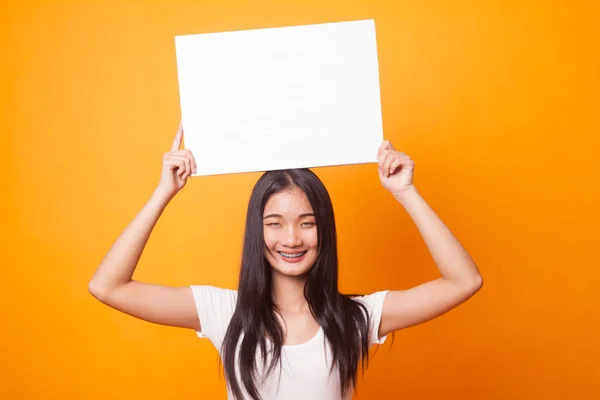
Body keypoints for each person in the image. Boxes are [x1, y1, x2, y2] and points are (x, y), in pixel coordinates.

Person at [88, 122, 483, 400]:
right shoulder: (224, 312)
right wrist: (163, 192)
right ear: (255, 232)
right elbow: (108, 286)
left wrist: (406, 191)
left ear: (324, 231)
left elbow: (463, 282)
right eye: (274, 224)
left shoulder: (355, 318)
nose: (291, 239)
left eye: (307, 223)